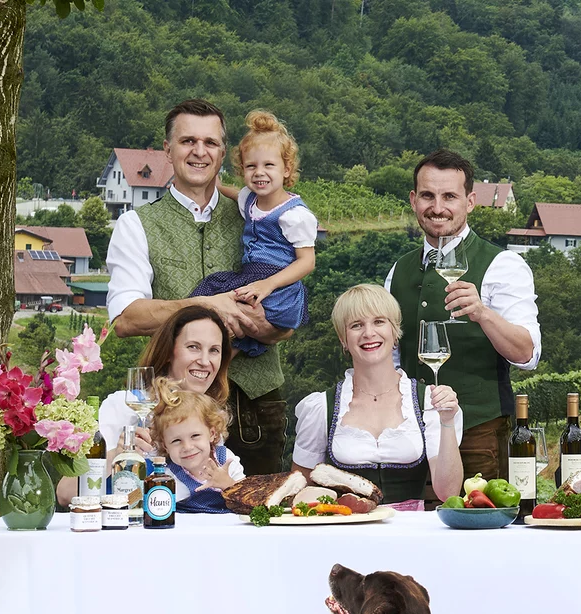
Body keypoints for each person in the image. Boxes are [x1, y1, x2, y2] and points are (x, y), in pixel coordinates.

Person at [106, 99, 292, 475]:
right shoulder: (137, 224)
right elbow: (125, 319)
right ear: (167, 149)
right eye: (188, 140)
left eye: (210, 142)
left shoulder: (258, 215)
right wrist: (207, 307)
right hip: (174, 415)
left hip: (256, 406)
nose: (199, 151)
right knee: (169, 517)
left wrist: (265, 326)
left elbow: (287, 316)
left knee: (255, 519)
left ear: (224, 152)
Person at [383, 149, 540, 482]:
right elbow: (391, 360)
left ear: (469, 201)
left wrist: (483, 313)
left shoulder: (503, 266)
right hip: (409, 438)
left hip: (479, 436)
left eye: (449, 196)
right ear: (413, 200)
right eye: (428, 195)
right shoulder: (398, 271)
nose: (437, 208)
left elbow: (527, 354)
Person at [294, 285, 466, 509]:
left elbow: (448, 492)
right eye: (356, 325)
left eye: (379, 322)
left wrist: (447, 422)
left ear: (395, 332)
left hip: (411, 533)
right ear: (343, 339)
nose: (368, 333)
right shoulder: (321, 407)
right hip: (345, 531)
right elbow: (301, 489)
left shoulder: (427, 403)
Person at [52, 305, 234, 506]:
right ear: (168, 352)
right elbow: (65, 494)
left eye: (214, 350)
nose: (205, 361)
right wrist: (116, 455)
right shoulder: (124, 407)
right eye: (193, 347)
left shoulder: (212, 416)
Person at [192, 110, 316, 358]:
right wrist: (214, 185)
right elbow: (236, 194)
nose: (259, 172)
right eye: (251, 166)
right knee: (211, 302)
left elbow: (307, 262)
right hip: (250, 277)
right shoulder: (250, 199)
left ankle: (211, 362)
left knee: (230, 319)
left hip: (279, 287)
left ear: (287, 169)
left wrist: (268, 285)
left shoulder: (294, 215)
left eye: (269, 165)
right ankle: (213, 366)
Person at [144, 376, 245, 513]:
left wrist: (227, 484)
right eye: (176, 441)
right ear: (165, 445)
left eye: (195, 436)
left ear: (212, 433)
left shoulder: (226, 459)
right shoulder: (170, 477)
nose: (187, 447)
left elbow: (248, 499)